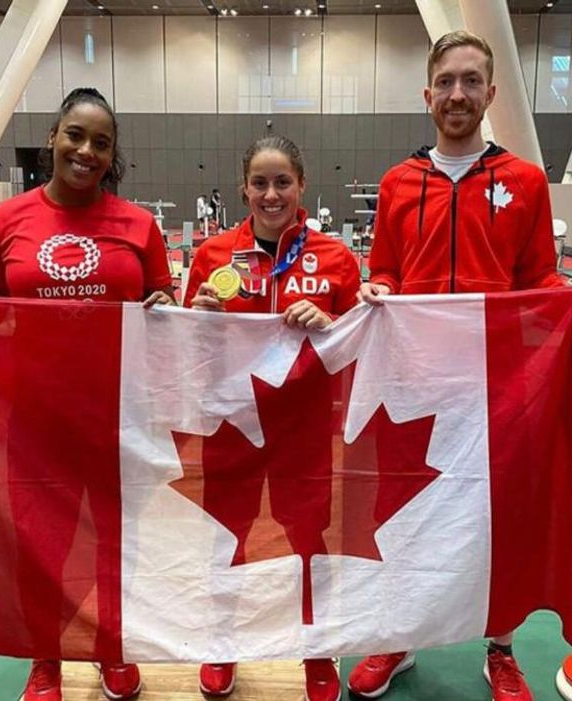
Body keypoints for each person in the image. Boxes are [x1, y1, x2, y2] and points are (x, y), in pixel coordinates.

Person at [351, 30, 572, 701]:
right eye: (446, 82)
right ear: (427, 94)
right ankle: (399, 635)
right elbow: (386, 270)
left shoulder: (524, 180)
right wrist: (379, 290)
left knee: (496, 515)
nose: (457, 94)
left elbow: (537, 276)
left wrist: (567, 303)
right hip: (416, 380)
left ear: (490, 93)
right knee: (406, 509)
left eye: (471, 81)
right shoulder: (399, 183)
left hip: (498, 386)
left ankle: (501, 648)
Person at [0, 87, 174, 701]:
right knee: (41, 547)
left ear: (112, 156)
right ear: (53, 138)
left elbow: (164, 304)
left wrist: (164, 305)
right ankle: (47, 660)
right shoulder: (8, 220)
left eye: (101, 143)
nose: (87, 151)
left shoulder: (138, 225)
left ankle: (112, 648)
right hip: (32, 420)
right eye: (76, 136)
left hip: (116, 417)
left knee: (114, 543)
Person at [183, 135, 361, 701]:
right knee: (224, 539)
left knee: (310, 541)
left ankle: (318, 651)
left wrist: (332, 322)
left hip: (304, 431)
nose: (271, 194)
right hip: (231, 427)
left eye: (282, 181)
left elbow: (363, 344)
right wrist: (199, 316)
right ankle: (221, 643)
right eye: (259, 183)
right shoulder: (214, 256)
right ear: (244, 189)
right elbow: (188, 346)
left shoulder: (335, 258)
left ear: (302, 185)